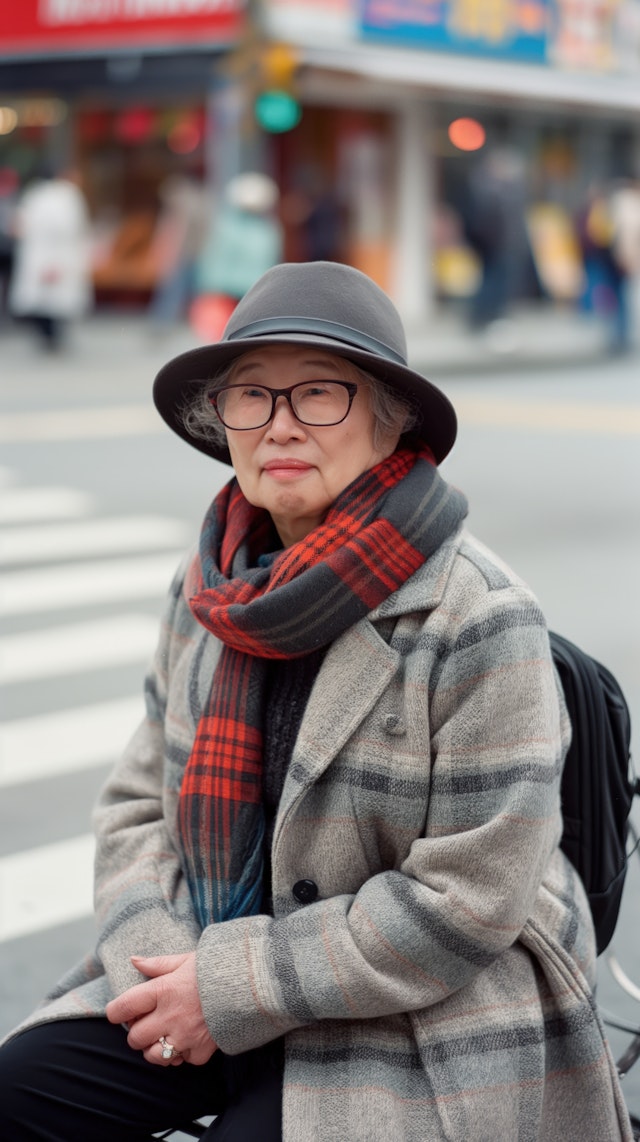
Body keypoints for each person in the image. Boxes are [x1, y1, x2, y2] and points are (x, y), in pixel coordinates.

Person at [0, 261, 632, 1142]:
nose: (280, 425)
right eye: (250, 398)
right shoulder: (208, 587)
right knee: (18, 1093)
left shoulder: (481, 614)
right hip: (214, 956)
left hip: (422, 997)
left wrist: (227, 991)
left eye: (321, 394)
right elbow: (138, 807)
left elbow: (466, 902)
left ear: (388, 425)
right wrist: (171, 965)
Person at [8, 164, 92, 351]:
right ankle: (53, 337)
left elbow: (19, 226)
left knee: (44, 301)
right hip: (60, 253)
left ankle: (47, 337)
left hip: (38, 254)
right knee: (57, 301)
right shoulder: (67, 195)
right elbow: (74, 228)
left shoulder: (34, 195)